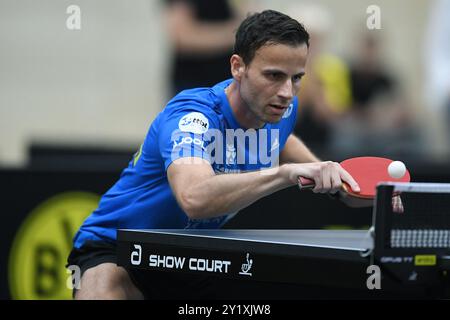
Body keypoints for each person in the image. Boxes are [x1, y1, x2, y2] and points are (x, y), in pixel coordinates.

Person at [67, 10, 360, 300]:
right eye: (273, 75)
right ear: (238, 67)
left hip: (187, 257)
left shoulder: (280, 110)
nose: (286, 92)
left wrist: (333, 179)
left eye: (297, 78)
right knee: (103, 285)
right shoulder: (193, 117)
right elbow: (195, 198)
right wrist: (284, 174)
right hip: (117, 248)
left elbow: (281, 141)